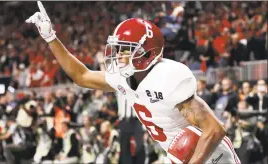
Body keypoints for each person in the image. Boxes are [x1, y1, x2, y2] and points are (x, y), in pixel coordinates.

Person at [26, 2, 240, 163]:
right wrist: (50, 37)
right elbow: (81, 76)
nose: (118, 55)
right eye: (118, 48)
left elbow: (215, 130)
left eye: (125, 49)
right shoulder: (124, 77)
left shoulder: (169, 77)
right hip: (179, 155)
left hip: (211, 156)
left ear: (147, 52)